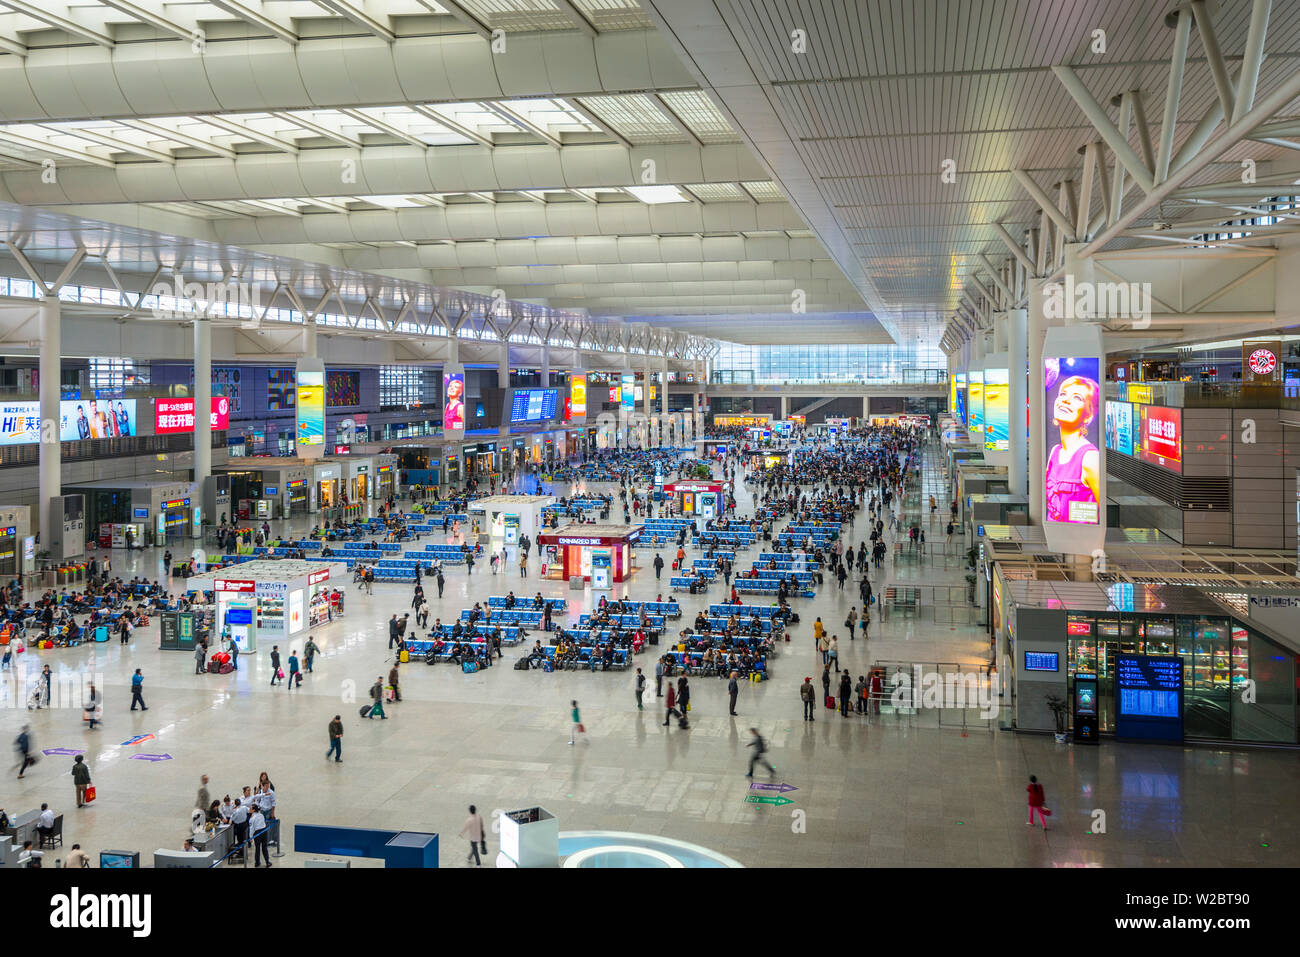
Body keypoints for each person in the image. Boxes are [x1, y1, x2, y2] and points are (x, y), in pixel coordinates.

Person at [1045, 371, 1101, 523]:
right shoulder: (1055, 451)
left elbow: (1101, 514)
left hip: (1076, 543)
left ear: (1088, 415)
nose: (1066, 401)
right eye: (1063, 394)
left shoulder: (1090, 458)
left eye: (1077, 398)